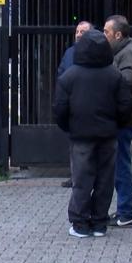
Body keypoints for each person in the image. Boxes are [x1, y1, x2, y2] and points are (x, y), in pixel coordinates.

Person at [53, 29, 132, 238]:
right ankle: (99, 223)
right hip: (108, 135)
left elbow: (59, 109)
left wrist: (70, 127)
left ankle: (79, 224)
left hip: (80, 136)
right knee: (105, 180)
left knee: (81, 180)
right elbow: (125, 105)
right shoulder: (114, 75)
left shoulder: (69, 76)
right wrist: (116, 124)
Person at [103, 15, 132, 228]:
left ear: (118, 34)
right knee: (119, 164)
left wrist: (107, 80)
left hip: (124, 117)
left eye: (106, 32)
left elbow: (130, 78)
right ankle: (123, 210)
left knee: (121, 165)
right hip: (123, 116)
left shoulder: (129, 53)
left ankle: (126, 212)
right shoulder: (123, 51)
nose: (104, 36)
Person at [57, 21, 93, 189]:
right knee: (75, 146)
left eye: (83, 31)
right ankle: (76, 177)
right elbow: (61, 74)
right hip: (74, 105)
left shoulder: (99, 52)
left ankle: (91, 177)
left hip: (93, 106)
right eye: (77, 31)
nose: (79, 34)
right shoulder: (69, 53)